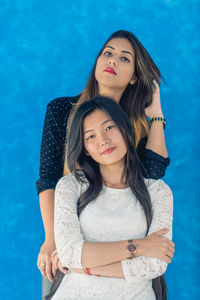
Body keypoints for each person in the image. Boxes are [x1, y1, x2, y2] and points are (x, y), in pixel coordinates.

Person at [36, 30, 170, 287]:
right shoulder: (62, 110)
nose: (112, 61)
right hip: (71, 239)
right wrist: (52, 239)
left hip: (125, 244)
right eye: (107, 53)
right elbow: (48, 179)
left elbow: (153, 172)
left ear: (134, 77)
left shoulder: (138, 126)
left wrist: (156, 115)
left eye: (124, 58)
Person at [49, 96, 174, 300]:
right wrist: (139, 246)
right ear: (85, 149)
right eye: (90, 137)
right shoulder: (70, 186)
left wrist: (85, 267)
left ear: (125, 129)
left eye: (109, 127)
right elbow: (70, 254)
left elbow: (155, 264)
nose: (103, 140)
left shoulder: (158, 191)